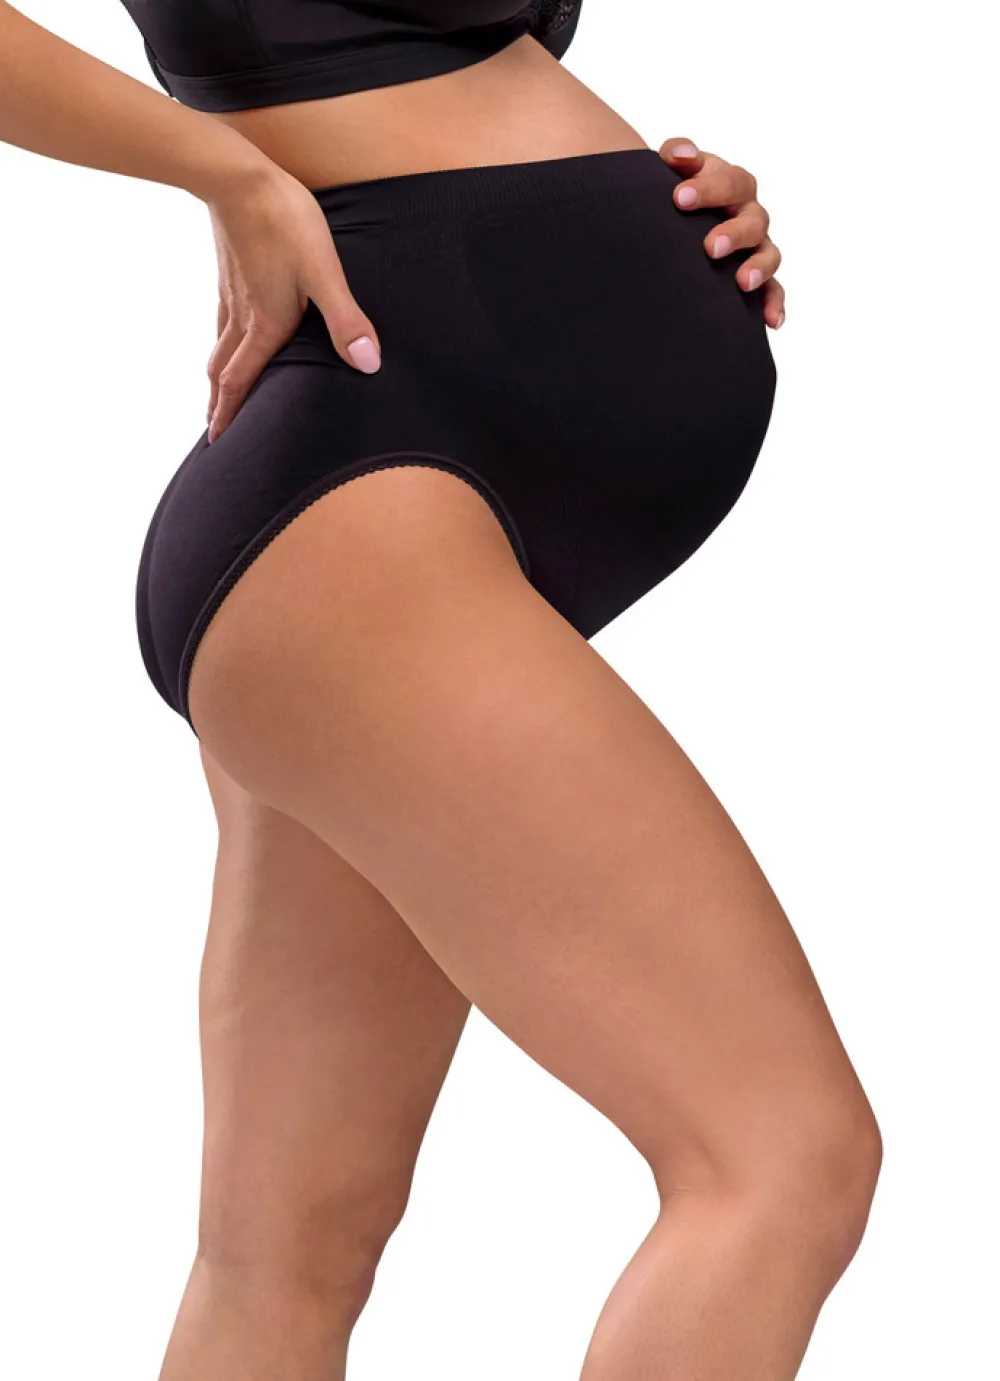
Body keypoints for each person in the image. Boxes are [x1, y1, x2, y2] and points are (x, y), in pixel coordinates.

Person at [0, 4, 880, 1381]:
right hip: (362, 503)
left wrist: (675, 210)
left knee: (281, 1257)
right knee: (781, 1156)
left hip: (389, 519)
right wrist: (223, 170)